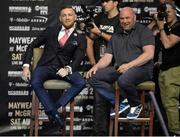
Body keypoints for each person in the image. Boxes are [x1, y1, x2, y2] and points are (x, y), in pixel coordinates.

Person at [86, 6, 155, 132]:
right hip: (121, 68)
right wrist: (96, 66)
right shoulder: (116, 36)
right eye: (122, 18)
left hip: (142, 68)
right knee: (93, 77)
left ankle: (136, 104)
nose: (125, 21)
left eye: (127, 18)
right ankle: (123, 102)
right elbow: (107, 57)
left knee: (123, 80)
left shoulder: (144, 31)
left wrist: (129, 65)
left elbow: (149, 54)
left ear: (134, 18)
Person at [22, 6, 87, 128]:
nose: (67, 17)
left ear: (75, 17)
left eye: (70, 15)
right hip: (45, 66)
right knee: (35, 81)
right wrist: (26, 66)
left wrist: (67, 69)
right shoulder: (51, 30)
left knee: (80, 82)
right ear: (60, 18)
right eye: (64, 15)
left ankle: (54, 109)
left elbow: (78, 59)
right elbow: (31, 45)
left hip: (63, 69)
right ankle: (54, 112)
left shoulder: (80, 37)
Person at [85, 0, 120, 135]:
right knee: (99, 102)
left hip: (118, 67)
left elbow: (119, 42)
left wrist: (100, 33)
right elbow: (89, 42)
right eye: (103, 1)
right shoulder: (98, 19)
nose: (104, 4)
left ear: (116, 2)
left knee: (121, 101)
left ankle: (126, 132)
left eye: (107, 1)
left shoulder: (121, 19)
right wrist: (94, 64)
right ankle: (100, 133)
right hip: (100, 68)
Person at [154, 3, 180, 136]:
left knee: (171, 103)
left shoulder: (178, 26)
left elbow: (168, 44)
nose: (166, 15)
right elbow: (148, 34)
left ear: (175, 11)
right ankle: (169, 132)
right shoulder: (164, 27)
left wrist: (161, 28)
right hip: (163, 70)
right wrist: (157, 21)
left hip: (175, 70)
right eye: (164, 12)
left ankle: (175, 132)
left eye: (168, 12)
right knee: (164, 104)